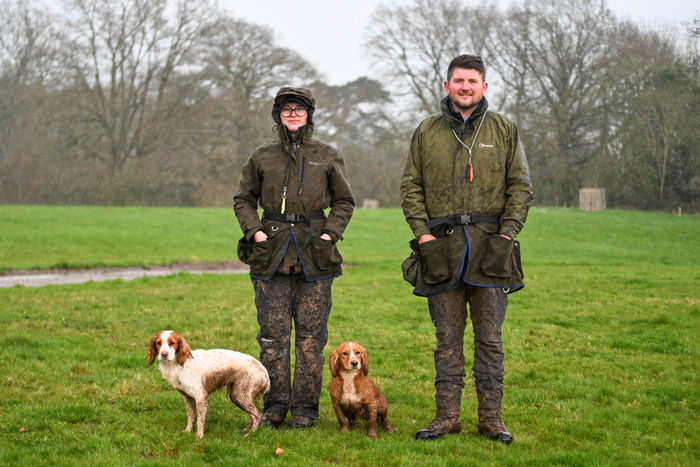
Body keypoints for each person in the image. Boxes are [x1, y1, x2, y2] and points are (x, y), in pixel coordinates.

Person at [400, 55, 533, 444]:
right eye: (458, 80)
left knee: (490, 339)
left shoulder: (504, 129)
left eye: (472, 81)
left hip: (492, 250)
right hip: (440, 250)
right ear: (447, 85)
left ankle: (491, 418)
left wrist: (508, 235)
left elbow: (521, 187)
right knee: (446, 338)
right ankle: (447, 416)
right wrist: (423, 235)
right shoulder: (427, 131)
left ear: (484, 86)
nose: (465, 87)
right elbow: (411, 187)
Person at [234, 87, 354, 429]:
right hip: (269, 257)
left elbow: (345, 201)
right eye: (286, 109)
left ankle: (305, 410)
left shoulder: (327, 155)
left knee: (310, 341)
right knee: (272, 339)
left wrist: (329, 233)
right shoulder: (262, 156)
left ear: (308, 115)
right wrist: (255, 231)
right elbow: (243, 200)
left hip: (315, 258)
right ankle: (273, 407)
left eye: (299, 110)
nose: (293, 115)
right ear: (278, 115)